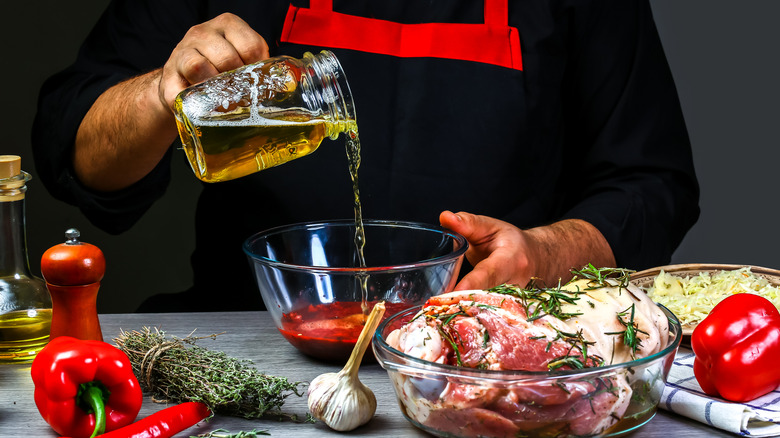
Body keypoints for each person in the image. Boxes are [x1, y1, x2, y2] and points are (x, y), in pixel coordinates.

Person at [32, 0, 699, 312]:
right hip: (254, 334)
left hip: (490, 347)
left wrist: (546, 252)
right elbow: (75, 150)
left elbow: (652, 181)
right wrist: (160, 92)